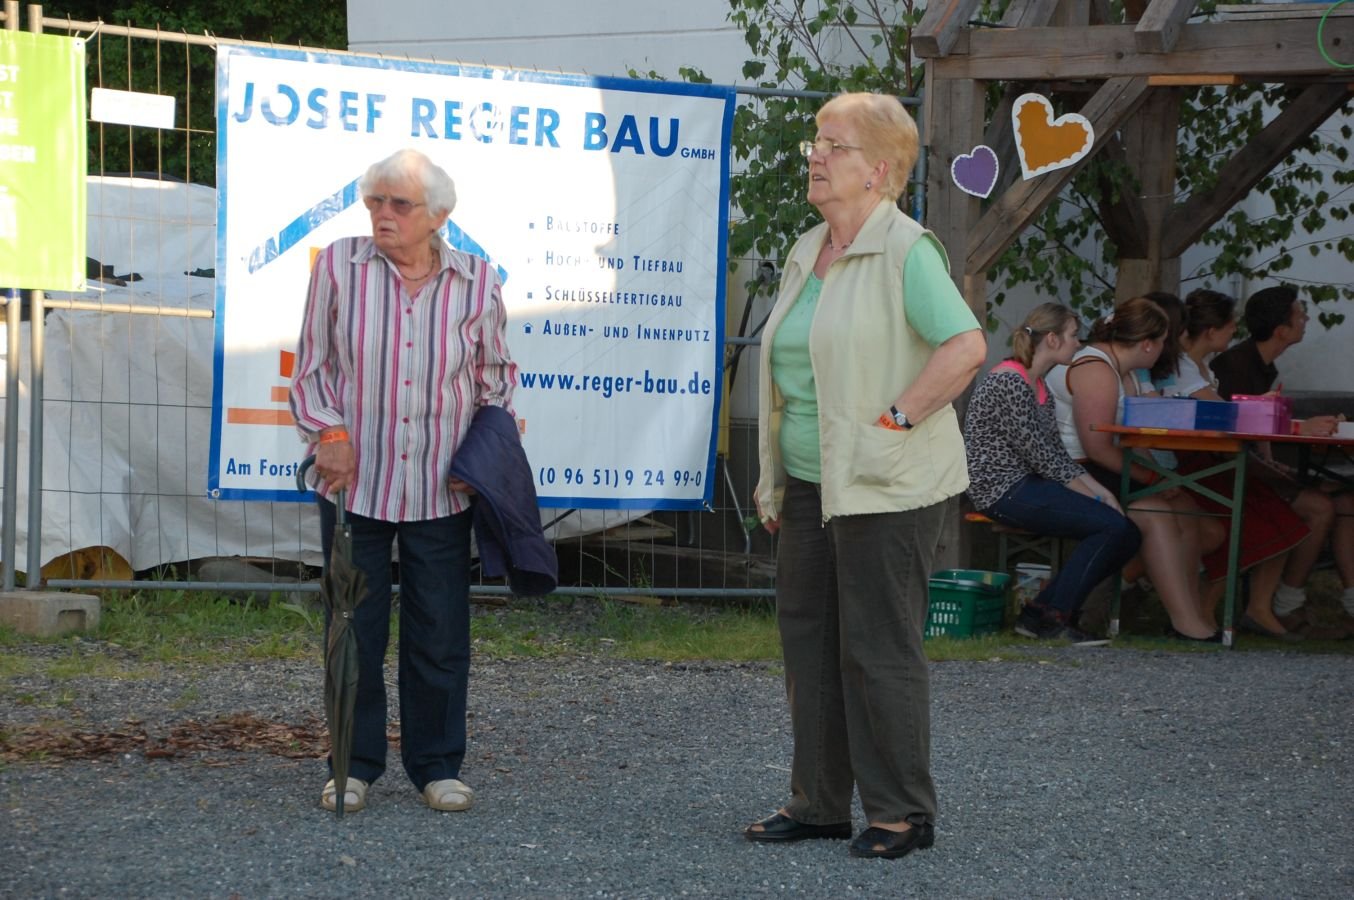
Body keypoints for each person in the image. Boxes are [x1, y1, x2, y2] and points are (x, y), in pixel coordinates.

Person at [747, 92, 986, 860]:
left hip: (887, 482)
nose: (816, 155)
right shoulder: (807, 248)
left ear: (879, 170)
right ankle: (819, 803)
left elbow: (965, 347)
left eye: (835, 145)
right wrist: (775, 477)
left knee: (877, 649)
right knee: (809, 646)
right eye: (816, 142)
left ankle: (902, 813)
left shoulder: (906, 250)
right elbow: (795, 374)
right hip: (812, 482)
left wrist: (895, 422)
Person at [289, 148, 516, 814]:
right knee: (351, 629)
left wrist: (482, 456)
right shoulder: (338, 266)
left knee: (439, 633)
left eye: (399, 204)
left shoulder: (477, 280)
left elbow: (496, 378)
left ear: (438, 215)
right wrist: (328, 433)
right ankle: (351, 765)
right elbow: (311, 368)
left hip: (441, 488)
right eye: (375, 202)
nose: (383, 214)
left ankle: (437, 766)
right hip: (353, 486)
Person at [1045, 296, 1224, 641]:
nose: (1166, 349)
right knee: (1156, 511)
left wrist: (1158, 477)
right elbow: (1097, 447)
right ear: (1147, 344)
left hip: (1100, 467)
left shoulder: (1126, 371)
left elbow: (1139, 434)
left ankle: (1189, 615)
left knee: (1186, 510)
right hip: (1072, 471)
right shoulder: (1095, 368)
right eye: (1163, 341)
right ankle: (1186, 622)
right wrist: (1151, 477)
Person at [963, 303, 1139, 645]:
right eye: (1073, 335)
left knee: (1128, 533)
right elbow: (1043, 459)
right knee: (1111, 526)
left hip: (1026, 484)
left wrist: (1105, 494)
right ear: (1053, 339)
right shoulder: (1009, 381)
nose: (1079, 343)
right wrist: (1098, 496)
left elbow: (1057, 455)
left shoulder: (1040, 386)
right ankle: (1054, 617)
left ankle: (1039, 613)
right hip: (1000, 490)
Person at [1143, 289, 1311, 638]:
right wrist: (1262, 409)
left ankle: (1235, 610)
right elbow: (1224, 416)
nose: (1236, 330)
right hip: (1191, 463)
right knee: (1249, 519)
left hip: (1210, 460)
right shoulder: (1183, 367)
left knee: (1276, 512)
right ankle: (1201, 612)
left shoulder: (1199, 366)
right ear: (1210, 331)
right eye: (1230, 324)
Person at [1210, 285, 1354, 636]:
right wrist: (1300, 429)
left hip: (1252, 466)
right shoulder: (1234, 366)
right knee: (1320, 507)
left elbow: (1259, 428)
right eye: (1300, 315)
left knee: (1344, 500)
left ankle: (1302, 603)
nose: (1306, 320)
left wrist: (1280, 458)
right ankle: (1279, 604)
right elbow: (1236, 426)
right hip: (1227, 471)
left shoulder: (1259, 364)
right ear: (1281, 329)